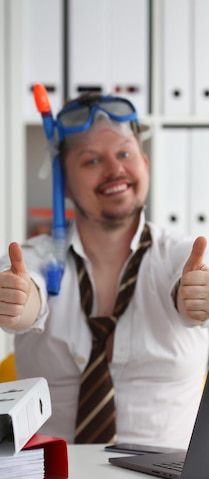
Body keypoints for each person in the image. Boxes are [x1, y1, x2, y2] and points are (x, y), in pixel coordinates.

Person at [0, 91, 209, 448]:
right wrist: (18, 305)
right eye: (91, 160)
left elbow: (188, 286)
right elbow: (27, 295)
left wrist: (195, 299)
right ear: (63, 183)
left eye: (125, 154)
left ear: (144, 162)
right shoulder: (34, 256)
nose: (115, 170)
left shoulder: (183, 254)